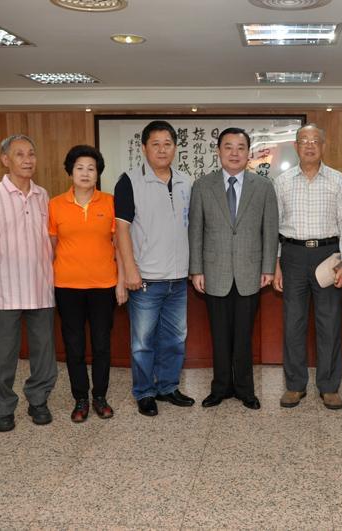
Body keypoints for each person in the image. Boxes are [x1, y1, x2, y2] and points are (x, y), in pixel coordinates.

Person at [0, 134, 57, 432]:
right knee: (2, 354)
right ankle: (4, 407)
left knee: (44, 352)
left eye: (31, 154)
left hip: (41, 288)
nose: (27, 160)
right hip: (4, 290)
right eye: (19, 154)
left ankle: (38, 400)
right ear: (5, 159)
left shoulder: (43, 195)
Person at [188, 127, 279, 410]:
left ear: (248, 153)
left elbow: (270, 230)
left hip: (250, 272)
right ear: (218, 151)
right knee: (219, 335)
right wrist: (196, 269)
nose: (235, 153)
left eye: (241, 148)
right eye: (228, 147)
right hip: (214, 272)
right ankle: (220, 388)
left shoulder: (263, 186)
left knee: (243, 335)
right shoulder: (202, 186)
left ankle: (245, 389)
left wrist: (268, 267)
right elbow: (195, 230)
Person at [113, 120, 195, 417]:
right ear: (144, 148)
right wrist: (130, 270)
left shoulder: (186, 181)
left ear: (175, 148)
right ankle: (145, 392)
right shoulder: (129, 181)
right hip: (145, 278)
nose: (162, 150)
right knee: (143, 343)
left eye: (168, 144)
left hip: (178, 278)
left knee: (175, 339)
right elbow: (121, 230)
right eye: (155, 144)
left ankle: (168, 387)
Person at [273, 124, 342, 410]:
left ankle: (329, 387)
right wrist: (276, 263)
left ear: (323, 145)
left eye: (315, 141)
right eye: (304, 141)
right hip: (293, 255)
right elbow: (274, 226)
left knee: (329, 323)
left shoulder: (338, 180)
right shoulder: (282, 181)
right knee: (293, 324)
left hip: (328, 256)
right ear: (296, 146)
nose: (309, 145)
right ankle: (295, 385)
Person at [49, 145, 125, 423]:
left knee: (102, 344)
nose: (85, 173)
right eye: (79, 167)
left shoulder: (110, 202)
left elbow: (119, 245)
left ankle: (100, 396)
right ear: (70, 172)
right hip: (67, 286)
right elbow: (51, 247)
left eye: (91, 168)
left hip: (103, 285)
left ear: (98, 173)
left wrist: (121, 282)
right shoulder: (55, 204)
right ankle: (80, 398)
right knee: (74, 345)